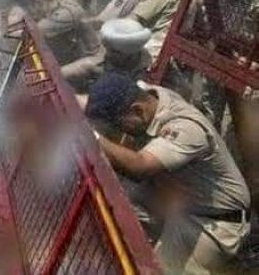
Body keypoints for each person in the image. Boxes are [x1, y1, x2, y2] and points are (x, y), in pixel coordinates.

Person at [85, 73, 250, 274]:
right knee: (114, 201)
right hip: (179, 199)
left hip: (209, 222)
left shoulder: (185, 128)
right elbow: (85, 102)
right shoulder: (151, 97)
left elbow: (140, 168)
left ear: (137, 111)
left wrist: (90, 136)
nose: (121, 133)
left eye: (120, 126)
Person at [15, 0, 101, 66]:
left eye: (28, 9)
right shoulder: (60, 5)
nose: (30, 13)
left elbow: (33, 32)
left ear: (37, 2)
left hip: (93, 61)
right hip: (79, 59)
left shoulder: (66, 14)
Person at [62, 18, 152, 93]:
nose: (107, 53)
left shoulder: (144, 62)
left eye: (113, 51)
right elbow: (58, 75)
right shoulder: (91, 65)